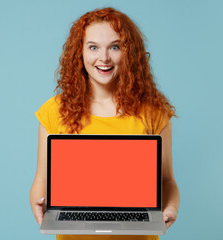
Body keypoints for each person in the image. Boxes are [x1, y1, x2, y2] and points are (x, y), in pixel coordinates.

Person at [30, 7, 180, 240]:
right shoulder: (55, 111)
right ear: (79, 52)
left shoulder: (153, 113)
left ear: (128, 52)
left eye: (115, 46)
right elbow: (41, 179)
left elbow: (168, 181)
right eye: (93, 47)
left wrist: (170, 208)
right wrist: (39, 204)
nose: (104, 58)